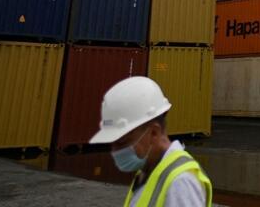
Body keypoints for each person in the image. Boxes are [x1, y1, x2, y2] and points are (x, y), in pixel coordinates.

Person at [90, 76, 212, 207]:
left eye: (122, 142)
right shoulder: (149, 170)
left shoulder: (180, 183)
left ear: (154, 133)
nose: (115, 151)